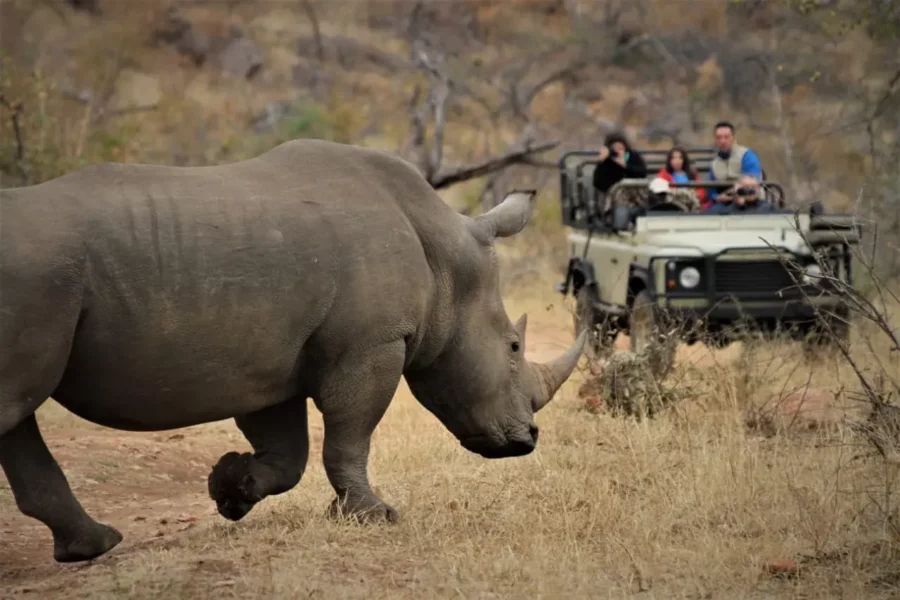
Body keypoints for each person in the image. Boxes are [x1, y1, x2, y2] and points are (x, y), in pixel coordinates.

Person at [707, 121, 762, 203]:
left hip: (749, 201)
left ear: (733, 137)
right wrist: (717, 197)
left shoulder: (746, 156)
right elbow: (711, 191)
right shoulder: (714, 164)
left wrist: (737, 194)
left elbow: (752, 181)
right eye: (719, 137)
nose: (723, 141)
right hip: (724, 203)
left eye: (726, 137)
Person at [703, 175, 776, 214]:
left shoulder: (767, 207)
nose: (750, 190)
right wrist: (739, 204)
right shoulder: (722, 209)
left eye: (753, 187)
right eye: (746, 187)